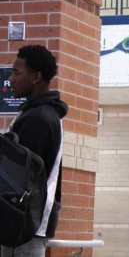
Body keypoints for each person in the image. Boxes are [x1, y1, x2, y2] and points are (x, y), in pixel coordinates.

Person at [1, 45, 68, 256]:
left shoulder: (38, 119)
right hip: (25, 223)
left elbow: (17, 179)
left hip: (23, 225)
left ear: (36, 77)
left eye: (16, 72)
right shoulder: (40, 114)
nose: (10, 79)